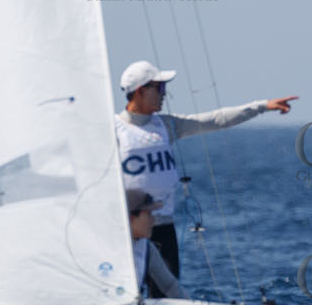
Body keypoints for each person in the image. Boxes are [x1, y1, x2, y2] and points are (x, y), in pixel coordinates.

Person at [114, 59, 296, 277]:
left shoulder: (166, 125)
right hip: (128, 228)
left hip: (163, 227)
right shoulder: (114, 130)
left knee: (166, 294)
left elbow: (216, 120)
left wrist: (261, 107)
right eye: (160, 87)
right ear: (141, 90)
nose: (165, 94)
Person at [126, 189, 183, 299]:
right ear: (131, 218)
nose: (153, 220)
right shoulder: (105, 248)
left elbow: (170, 286)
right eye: (149, 214)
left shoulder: (147, 248)